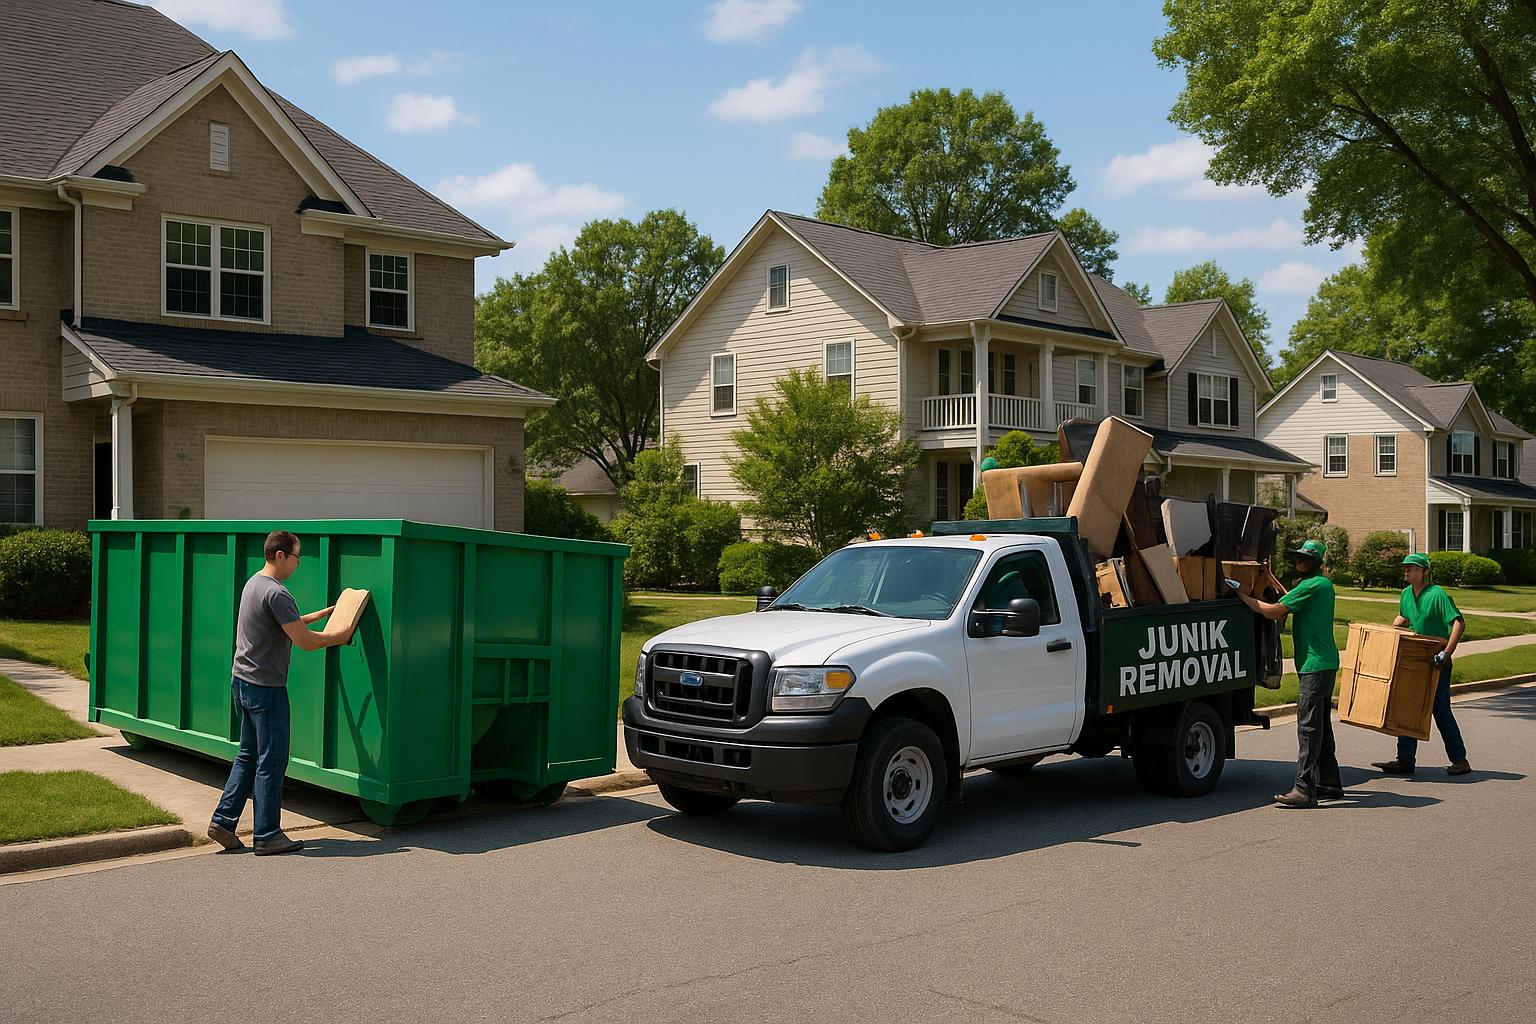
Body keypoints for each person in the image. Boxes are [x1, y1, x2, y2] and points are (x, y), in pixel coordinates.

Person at [207, 530, 348, 856]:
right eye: (297, 557)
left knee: (248, 755)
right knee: (271, 761)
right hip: (265, 689)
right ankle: (267, 834)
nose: (298, 563)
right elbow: (305, 642)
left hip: (241, 682)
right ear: (281, 555)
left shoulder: (254, 584)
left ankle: (224, 821)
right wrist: (339, 635)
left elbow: (285, 625)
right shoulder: (278, 593)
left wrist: (321, 615)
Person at [1230, 539, 1342, 808]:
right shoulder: (1318, 585)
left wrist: (1240, 595)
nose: (1298, 562)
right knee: (1322, 727)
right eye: (1297, 558)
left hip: (1315, 665)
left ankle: (1304, 790)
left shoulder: (1313, 586)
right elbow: (1286, 596)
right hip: (1322, 663)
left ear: (1315, 562)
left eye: (1303, 558)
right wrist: (1268, 577)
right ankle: (1330, 783)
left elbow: (1274, 610)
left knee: (1308, 727)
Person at [1371, 553, 1471, 777]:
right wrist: (1391, 630)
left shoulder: (1438, 594)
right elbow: (1405, 617)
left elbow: (1458, 623)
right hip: (1414, 658)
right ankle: (1405, 760)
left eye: (1412, 568)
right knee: (1408, 707)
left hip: (1436, 660)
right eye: (1405, 568)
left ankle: (1460, 760)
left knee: (1440, 709)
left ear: (1425, 571)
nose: (1406, 572)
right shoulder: (1406, 594)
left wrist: (1446, 653)